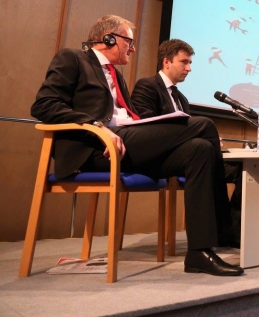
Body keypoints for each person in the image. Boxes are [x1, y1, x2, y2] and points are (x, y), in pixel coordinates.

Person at [31, 15, 243, 276]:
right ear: (109, 38)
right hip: (96, 149)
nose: (132, 49)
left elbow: (130, 117)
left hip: (126, 143)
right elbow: (44, 105)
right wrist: (95, 126)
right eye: (128, 42)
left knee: (200, 149)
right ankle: (224, 230)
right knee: (205, 125)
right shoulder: (73, 58)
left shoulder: (117, 76)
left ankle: (199, 252)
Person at [131, 39, 243, 248]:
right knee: (207, 143)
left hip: (189, 155)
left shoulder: (181, 98)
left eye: (190, 63)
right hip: (158, 157)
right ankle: (220, 231)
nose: (189, 68)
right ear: (166, 62)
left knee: (243, 169)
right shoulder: (147, 86)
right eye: (184, 62)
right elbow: (145, 127)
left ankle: (232, 230)